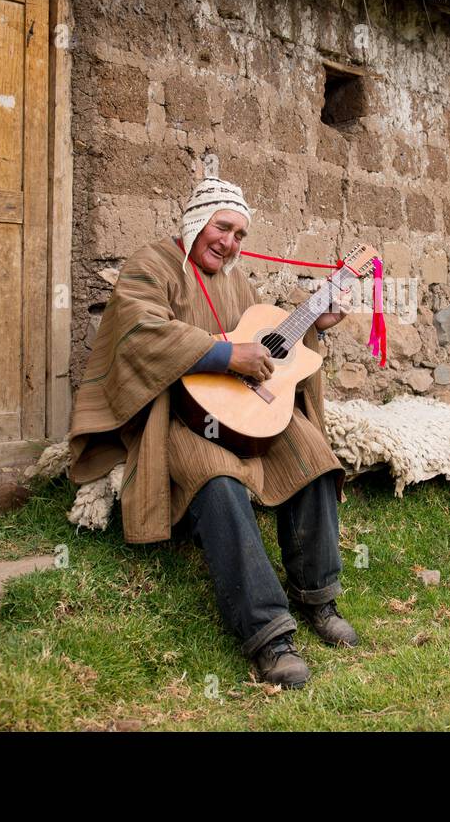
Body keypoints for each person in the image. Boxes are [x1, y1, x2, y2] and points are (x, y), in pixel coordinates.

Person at [67, 175, 357, 688]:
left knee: (313, 457)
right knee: (218, 484)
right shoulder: (151, 265)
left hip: (245, 416)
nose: (229, 243)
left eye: (240, 235)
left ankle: (318, 596)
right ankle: (269, 633)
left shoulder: (236, 280)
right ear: (197, 221)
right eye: (222, 228)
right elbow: (140, 332)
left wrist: (313, 326)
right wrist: (225, 355)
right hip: (178, 414)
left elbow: (266, 342)